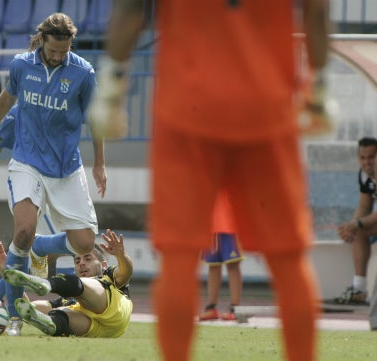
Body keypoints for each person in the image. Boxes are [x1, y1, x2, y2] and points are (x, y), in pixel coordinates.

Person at [89, 1, 331, 360]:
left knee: (179, 259)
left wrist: (111, 86)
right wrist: (319, 86)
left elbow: (130, 8)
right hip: (266, 107)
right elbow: (317, 9)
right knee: (288, 258)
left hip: (186, 110)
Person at [0, 12, 106, 336]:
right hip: (27, 162)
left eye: (63, 51)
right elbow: (7, 96)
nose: (57, 56)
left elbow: (95, 119)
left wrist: (99, 163)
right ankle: (14, 317)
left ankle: (40, 247)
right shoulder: (22, 65)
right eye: (53, 51)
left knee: (84, 243)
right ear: (42, 41)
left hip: (66, 167)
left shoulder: (83, 72)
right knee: (22, 231)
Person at [0, 106, 77, 300]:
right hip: (32, 189)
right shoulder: (19, 111)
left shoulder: (60, 104)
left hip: (58, 184)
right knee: (65, 243)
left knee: (49, 254)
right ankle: (67, 304)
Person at [3, 229, 133, 338]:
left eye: (88, 259)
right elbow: (25, 307)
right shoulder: (69, 299)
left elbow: (125, 273)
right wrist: (8, 275)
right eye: (77, 261)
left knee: (80, 284)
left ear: (103, 265)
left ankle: (47, 283)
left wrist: (121, 255)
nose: (81, 263)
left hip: (115, 314)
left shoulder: (109, 276)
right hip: (98, 330)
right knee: (59, 313)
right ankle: (49, 322)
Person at [335, 137, 377, 305]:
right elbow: (364, 206)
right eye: (363, 157)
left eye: (372, 156)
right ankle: (359, 289)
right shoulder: (364, 175)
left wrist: (357, 223)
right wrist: (350, 227)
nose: (367, 162)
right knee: (358, 231)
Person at [198, 193, 243, 322]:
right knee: (213, 265)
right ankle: (211, 307)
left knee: (233, 264)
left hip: (230, 223)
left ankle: (235, 308)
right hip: (210, 224)